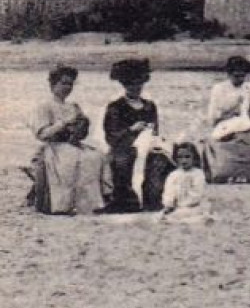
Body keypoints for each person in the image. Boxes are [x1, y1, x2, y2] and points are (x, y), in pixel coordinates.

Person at [25, 65, 104, 215]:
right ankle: (64, 204)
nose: (67, 87)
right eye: (64, 83)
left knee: (95, 157)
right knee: (71, 159)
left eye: (70, 84)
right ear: (53, 84)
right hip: (54, 147)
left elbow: (82, 134)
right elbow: (42, 134)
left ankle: (88, 202)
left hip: (73, 144)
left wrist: (82, 126)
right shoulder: (44, 106)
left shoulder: (74, 106)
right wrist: (63, 124)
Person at [102, 58, 171, 213]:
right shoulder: (116, 107)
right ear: (124, 85)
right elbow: (111, 135)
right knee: (122, 161)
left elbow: (155, 130)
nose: (136, 87)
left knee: (161, 159)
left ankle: (153, 198)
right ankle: (127, 200)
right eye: (131, 84)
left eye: (139, 83)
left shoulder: (149, 106)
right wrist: (131, 130)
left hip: (147, 145)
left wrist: (149, 133)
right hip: (123, 146)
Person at [200, 56, 250, 184]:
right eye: (236, 76)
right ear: (229, 74)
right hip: (224, 126)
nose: (240, 80)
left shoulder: (249, 88)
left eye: (243, 76)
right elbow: (213, 113)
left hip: (245, 126)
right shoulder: (219, 88)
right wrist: (225, 116)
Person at [160, 142, 212, 223]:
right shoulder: (173, 175)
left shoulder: (198, 174)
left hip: (194, 206)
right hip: (177, 207)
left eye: (187, 157)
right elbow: (168, 192)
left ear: (194, 158)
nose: (184, 160)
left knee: (195, 217)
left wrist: (185, 204)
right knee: (162, 216)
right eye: (180, 157)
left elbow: (197, 194)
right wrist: (169, 204)